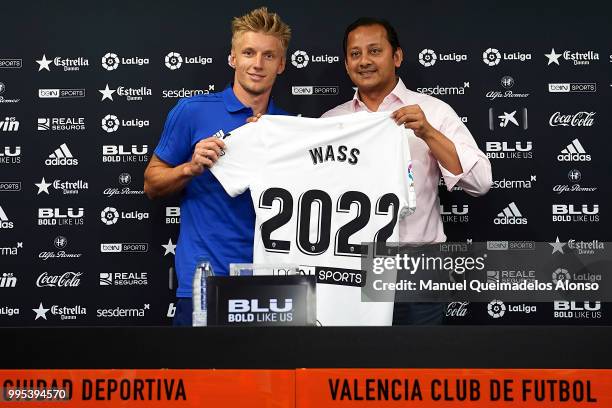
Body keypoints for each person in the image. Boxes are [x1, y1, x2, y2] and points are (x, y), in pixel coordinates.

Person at [321, 17, 492, 324]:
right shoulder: (330, 121)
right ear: (346, 64)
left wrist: (428, 132)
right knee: (357, 365)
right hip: (350, 265)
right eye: (355, 54)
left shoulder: (433, 111)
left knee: (419, 365)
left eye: (375, 50)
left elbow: (480, 182)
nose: (364, 61)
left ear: (396, 56)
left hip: (418, 265)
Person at [143, 7, 291, 326]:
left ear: (281, 64)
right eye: (248, 52)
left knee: (266, 378)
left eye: (268, 56)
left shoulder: (289, 127)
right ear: (232, 58)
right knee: (201, 376)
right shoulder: (192, 111)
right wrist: (190, 168)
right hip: (205, 281)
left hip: (271, 283)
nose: (257, 64)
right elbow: (151, 184)